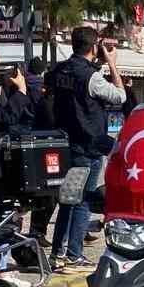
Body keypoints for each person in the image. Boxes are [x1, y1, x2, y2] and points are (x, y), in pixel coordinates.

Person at [46, 24, 126, 272]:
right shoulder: (91, 77)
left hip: (64, 144)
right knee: (82, 202)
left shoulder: (59, 70)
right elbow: (120, 96)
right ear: (94, 47)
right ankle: (74, 254)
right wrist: (111, 64)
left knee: (67, 200)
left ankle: (58, 252)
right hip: (88, 146)